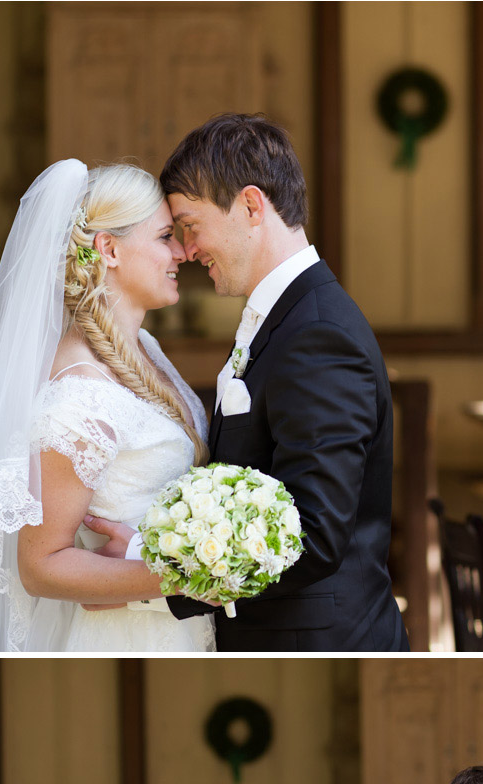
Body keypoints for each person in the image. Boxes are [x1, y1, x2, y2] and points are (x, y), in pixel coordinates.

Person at [88, 114, 409, 652]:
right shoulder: (286, 316)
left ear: (252, 206)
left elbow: (315, 534)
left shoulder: (318, 334)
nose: (186, 251)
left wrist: (154, 572)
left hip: (317, 645)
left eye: (190, 225)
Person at [0, 159, 215, 652]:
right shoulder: (82, 393)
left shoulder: (145, 349)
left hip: (177, 626)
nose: (183, 252)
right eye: (165, 236)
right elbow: (42, 565)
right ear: (109, 248)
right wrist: (186, 579)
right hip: (127, 636)